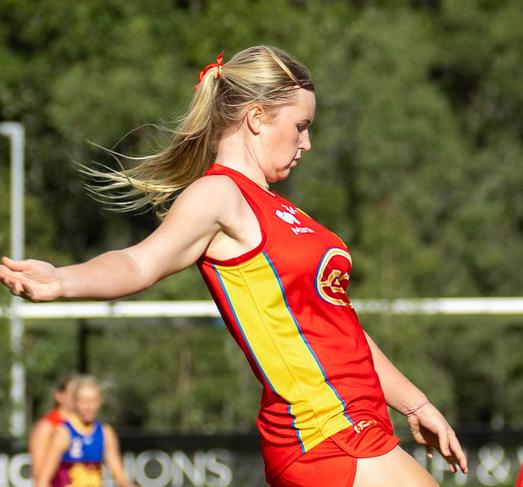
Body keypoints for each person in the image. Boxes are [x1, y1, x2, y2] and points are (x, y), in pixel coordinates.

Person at [0, 45, 468, 486]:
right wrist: (62, 280)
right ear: (257, 117)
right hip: (321, 431)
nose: (307, 143)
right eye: (301, 126)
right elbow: (138, 263)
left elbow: (339, 326)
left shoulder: (284, 210)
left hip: (356, 425)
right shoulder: (219, 194)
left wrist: (414, 403)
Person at [35, 375, 133, 487]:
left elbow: (121, 479)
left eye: (93, 400)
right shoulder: (63, 433)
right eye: (83, 401)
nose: (88, 406)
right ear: (75, 402)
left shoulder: (105, 433)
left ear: (100, 401)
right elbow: (42, 482)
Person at [29, 373, 77, 481]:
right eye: (73, 393)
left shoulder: (87, 427)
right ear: (59, 396)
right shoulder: (46, 427)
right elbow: (38, 473)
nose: (77, 397)